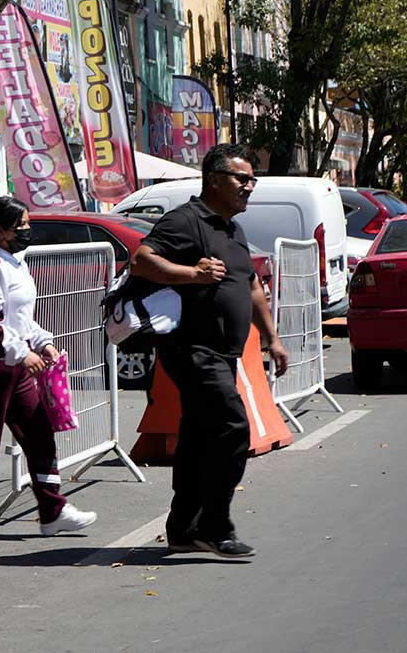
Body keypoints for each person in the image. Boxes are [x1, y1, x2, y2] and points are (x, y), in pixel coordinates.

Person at [129, 144, 288, 558]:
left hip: (223, 352)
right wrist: (191, 274)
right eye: (242, 179)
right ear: (215, 179)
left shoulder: (233, 229)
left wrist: (272, 338)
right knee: (233, 427)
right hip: (193, 349)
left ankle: (183, 529)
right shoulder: (185, 220)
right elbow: (142, 261)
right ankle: (216, 526)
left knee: (199, 439)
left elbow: (251, 285)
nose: (249, 187)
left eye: (252, 179)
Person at [0, 196, 97, 542]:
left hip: (15, 366)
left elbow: (21, 319)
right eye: (21, 225)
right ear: (0, 230)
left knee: (38, 432)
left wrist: (41, 341)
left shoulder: (11, 262)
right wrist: (20, 353)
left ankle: (53, 510)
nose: (27, 230)